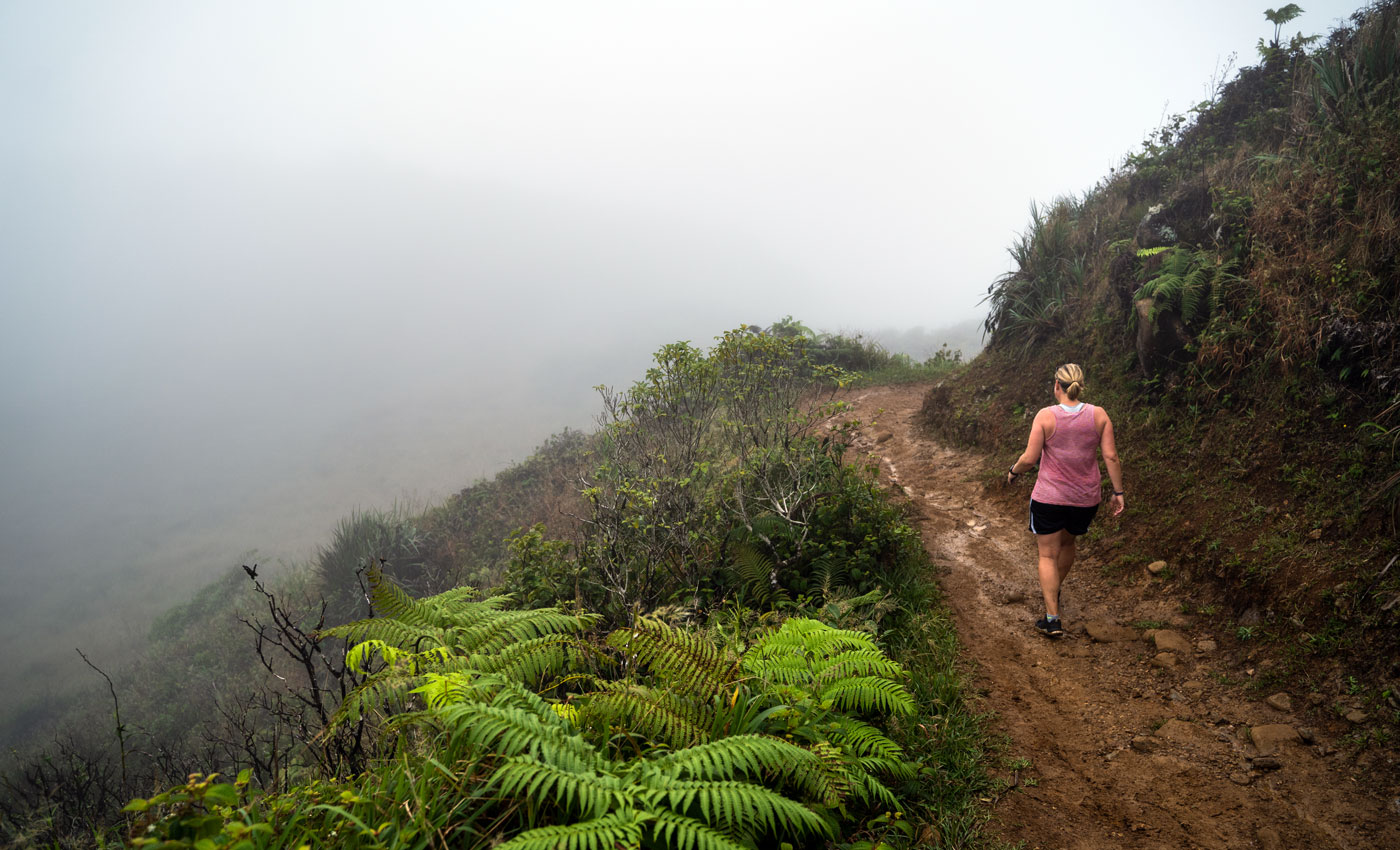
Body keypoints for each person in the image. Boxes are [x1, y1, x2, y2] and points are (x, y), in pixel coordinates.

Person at [1005, 363, 1124, 638]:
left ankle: (1052, 618)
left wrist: (1013, 471)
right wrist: (1118, 493)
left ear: (1056, 386)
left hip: (1049, 498)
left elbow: (1029, 458)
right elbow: (1111, 457)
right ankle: (1053, 592)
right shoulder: (1099, 415)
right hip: (1084, 499)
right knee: (1069, 543)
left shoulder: (1046, 417)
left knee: (1047, 554)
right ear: (1080, 386)